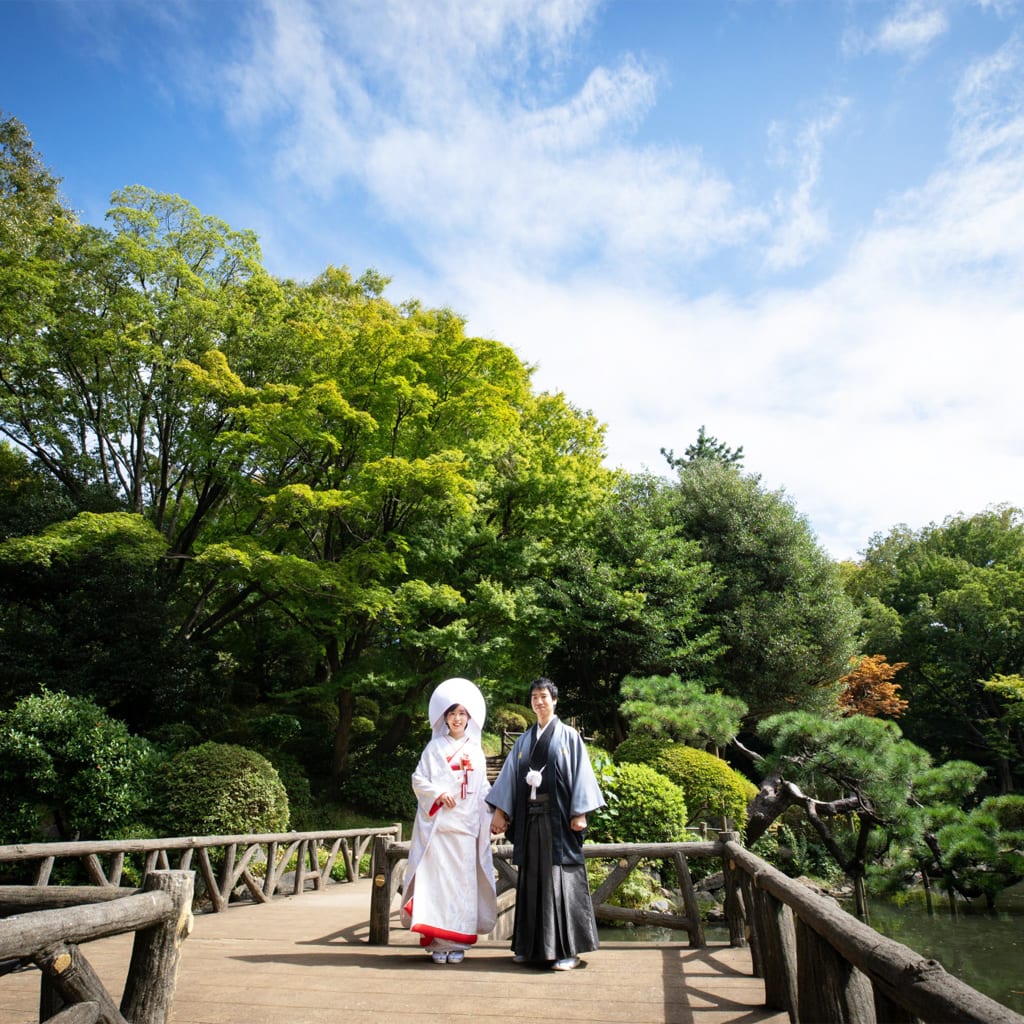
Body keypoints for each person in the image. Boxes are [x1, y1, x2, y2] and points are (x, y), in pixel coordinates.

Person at [487, 676, 605, 971]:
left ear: (554, 700)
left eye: (543, 697)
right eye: (534, 697)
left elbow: (581, 774)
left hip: (559, 821)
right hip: (530, 820)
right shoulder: (524, 741)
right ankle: (530, 948)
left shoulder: (569, 737)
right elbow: (509, 777)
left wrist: (580, 812)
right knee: (531, 881)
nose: (539, 702)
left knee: (560, 880)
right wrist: (501, 812)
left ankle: (567, 951)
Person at [401, 676, 498, 964]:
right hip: (439, 830)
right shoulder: (434, 749)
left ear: (469, 718)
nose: (457, 719)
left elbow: (483, 791)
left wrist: (495, 816)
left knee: (462, 887)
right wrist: (438, 793)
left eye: (462, 714)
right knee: (438, 887)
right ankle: (438, 945)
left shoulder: (476, 753)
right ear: (445, 717)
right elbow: (419, 780)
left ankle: (458, 944)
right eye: (453, 714)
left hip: (466, 829)